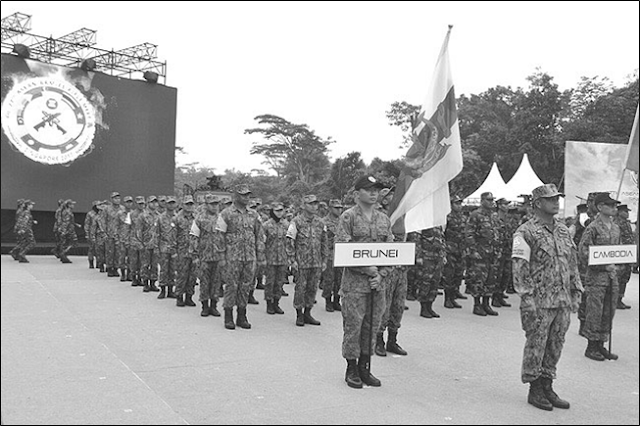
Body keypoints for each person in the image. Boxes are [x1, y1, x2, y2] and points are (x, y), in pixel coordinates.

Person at [512, 183, 582, 411]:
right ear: (538, 203)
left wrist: (576, 289)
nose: (556, 202)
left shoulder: (562, 230)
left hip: (562, 299)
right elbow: (520, 268)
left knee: (556, 343)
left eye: (557, 198)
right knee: (536, 344)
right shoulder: (525, 232)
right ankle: (535, 388)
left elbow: (572, 262)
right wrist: (527, 298)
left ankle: (547, 384)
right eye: (551, 199)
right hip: (539, 301)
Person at [335, 175, 392, 389]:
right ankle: (351, 368)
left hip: (377, 286)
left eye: (376, 189)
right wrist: (367, 269)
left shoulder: (384, 219)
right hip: (354, 286)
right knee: (354, 327)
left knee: (372, 326)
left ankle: (365, 367)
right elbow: (342, 250)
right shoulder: (348, 217)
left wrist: (381, 274)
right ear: (357, 194)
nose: (374, 192)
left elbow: (392, 252)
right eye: (368, 189)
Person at [578, 192, 621, 361]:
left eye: (615, 206)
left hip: (612, 276)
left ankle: (602, 343)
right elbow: (584, 252)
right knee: (595, 311)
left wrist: (619, 262)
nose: (614, 208)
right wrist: (603, 265)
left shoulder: (616, 228)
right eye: (610, 205)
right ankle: (591, 345)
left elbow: (617, 251)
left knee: (608, 311)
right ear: (600, 207)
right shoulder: (592, 227)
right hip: (596, 277)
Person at [216, 184, 265, 330]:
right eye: (243, 195)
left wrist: (260, 255)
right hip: (232, 257)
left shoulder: (254, 215)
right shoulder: (225, 214)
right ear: (236, 196)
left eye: (248, 194)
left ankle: (242, 315)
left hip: (249, 257)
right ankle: (228, 315)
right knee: (231, 286)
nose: (247, 197)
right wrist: (222, 257)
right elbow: (219, 237)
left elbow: (259, 235)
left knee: (245, 286)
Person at [286, 194, 328, 327]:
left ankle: (308, 313)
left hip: (316, 262)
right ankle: (299, 313)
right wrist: (292, 260)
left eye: (316, 204)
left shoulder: (321, 223)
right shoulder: (296, 222)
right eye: (311, 204)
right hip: (301, 262)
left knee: (312, 288)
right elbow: (289, 241)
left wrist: (325, 259)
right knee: (300, 288)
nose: (314, 206)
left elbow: (324, 242)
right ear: (303, 206)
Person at [375, 187, 408, 357]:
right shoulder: (377, 215)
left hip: (401, 267)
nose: (393, 197)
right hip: (385, 267)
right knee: (384, 305)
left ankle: (392, 339)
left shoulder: (402, 213)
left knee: (398, 304)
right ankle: (378, 339)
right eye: (389, 195)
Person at [464, 192, 501, 316]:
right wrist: (473, 250)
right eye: (489, 200)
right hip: (480, 253)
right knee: (478, 279)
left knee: (491, 279)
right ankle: (477, 304)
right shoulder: (476, 215)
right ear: (482, 200)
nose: (492, 202)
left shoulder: (494, 216)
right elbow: (469, 234)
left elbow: (497, 234)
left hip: (492, 253)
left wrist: (498, 250)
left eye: (492, 200)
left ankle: (486, 304)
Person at [191, 194, 224, 316]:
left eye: (216, 204)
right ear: (206, 205)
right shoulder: (199, 219)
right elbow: (194, 237)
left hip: (218, 256)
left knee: (216, 282)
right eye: (212, 204)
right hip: (204, 256)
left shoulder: (222, 219)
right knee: (204, 282)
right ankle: (205, 306)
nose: (215, 207)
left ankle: (214, 306)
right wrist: (195, 256)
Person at [262, 201, 289, 315]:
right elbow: (262, 242)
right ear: (272, 212)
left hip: (282, 258)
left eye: (281, 210)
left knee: (279, 282)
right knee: (270, 282)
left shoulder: (287, 225)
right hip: (270, 258)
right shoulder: (266, 225)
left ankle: (276, 303)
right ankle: (269, 303)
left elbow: (290, 242)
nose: (279, 213)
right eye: (277, 210)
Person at [441, 195, 467, 307]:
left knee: (458, 274)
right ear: (451, 204)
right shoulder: (446, 217)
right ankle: (447, 299)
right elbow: (442, 234)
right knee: (449, 275)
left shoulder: (463, 218)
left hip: (460, 250)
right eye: (456, 203)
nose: (459, 205)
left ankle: (453, 296)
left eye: (460, 203)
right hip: (450, 250)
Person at [174, 195, 198, 308]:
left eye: (191, 204)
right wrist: (173, 251)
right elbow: (172, 236)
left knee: (192, 275)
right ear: (182, 205)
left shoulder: (196, 218)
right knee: (182, 275)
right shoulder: (177, 218)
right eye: (187, 204)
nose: (189, 206)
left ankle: (189, 296)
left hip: (194, 252)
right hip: (182, 251)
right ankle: (179, 296)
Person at [322, 199, 344, 312]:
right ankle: (328, 301)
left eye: (340, 207)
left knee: (339, 279)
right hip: (329, 253)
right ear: (330, 208)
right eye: (336, 208)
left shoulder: (343, 221)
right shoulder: (324, 222)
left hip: (341, 254)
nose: (339, 210)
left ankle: (337, 300)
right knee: (329, 279)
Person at [157, 196, 178, 299]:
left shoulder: (177, 217)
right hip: (164, 246)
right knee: (164, 269)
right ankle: (162, 289)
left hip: (174, 248)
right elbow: (157, 233)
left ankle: (170, 290)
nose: (171, 205)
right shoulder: (161, 218)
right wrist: (157, 247)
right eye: (169, 203)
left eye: (173, 203)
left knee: (172, 269)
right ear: (166, 204)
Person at [614, 204, 633, 309]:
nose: (627, 213)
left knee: (625, 277)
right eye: (625, 211)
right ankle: (615, 300)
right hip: (620, 255)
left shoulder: (627, 224)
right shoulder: (616, 224)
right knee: (619, 278)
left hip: (628, 255)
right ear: (619, 212)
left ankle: (620, 299)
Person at [58, 199, 78, 263]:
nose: (73, 206)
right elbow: (66, 222)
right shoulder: (68, 212)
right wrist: (64, 230)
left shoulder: (65, 211)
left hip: (68, 229)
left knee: (66, 243)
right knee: (73, 242)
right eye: (72, 204)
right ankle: (63, 254)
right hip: (69, 230)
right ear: (69, 205)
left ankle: (63, 255)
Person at [84, 201, 100, 269]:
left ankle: (99, 263)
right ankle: (91, 262)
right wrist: (87, 234)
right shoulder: (90, 214)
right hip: (91, 233)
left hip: (99, 234)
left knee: (99, 249)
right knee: (91, 249)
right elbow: (87, 224)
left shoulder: (101, 214)